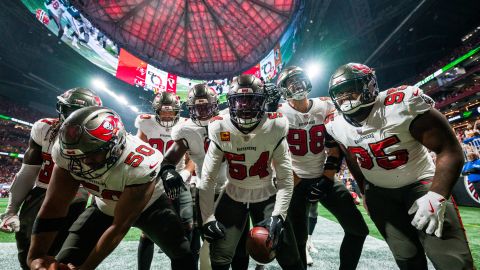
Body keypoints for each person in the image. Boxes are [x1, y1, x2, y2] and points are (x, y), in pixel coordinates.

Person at [326, 62, 474, 269]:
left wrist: (436, 195)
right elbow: (352, 158)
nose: (345, 97)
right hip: (381, 195)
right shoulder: (335, 124)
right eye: (339, 93)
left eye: (351, 89)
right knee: (407, 258)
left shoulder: (401, 103)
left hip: (421, 186)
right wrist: (365, 192)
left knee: (451, 261)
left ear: (369, 86)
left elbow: (450, 149)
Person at [27, 106, 196, 270]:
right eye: (77, 156)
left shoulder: (140, 163)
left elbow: (119, 227)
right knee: (66, 260)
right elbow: (55, 205)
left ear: (115, 146)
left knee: (182, 254)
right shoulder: (67, 154)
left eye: (91, 154)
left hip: (151, 206)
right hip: (105, 205)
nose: (83, 162)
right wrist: (36, 255)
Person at [197, 74, 303, 270]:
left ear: (262, 102)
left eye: (251, 100)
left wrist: (278, 215)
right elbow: (208, 179)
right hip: (234, 194)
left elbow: (285, 179)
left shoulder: (275, 125)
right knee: (220, 256)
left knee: (288, 253)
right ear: (230, 103)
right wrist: (207, 218)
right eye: (239, 101)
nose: (245, 107)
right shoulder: (219, 126)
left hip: (266, 193)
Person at [276, 66, 368, 268]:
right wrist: (295, 179)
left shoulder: (325, 105)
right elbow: (271, 152)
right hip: (294, 180)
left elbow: (335, 146)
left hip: (323, 176)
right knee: (299, 240)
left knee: (358, 229)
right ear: (283, 89)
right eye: (290, 82)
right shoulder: (279, 112)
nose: (296, 84)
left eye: (299, 78)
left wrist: (327, 178)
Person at [0, 87, 102, 269]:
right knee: (27, 254)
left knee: (62, 257)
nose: (72, 116)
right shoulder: (44, 128)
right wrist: (11, 210)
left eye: (78, 112)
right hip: (41, 193)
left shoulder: (101, 137)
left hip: (75, 198)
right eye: (69, 109)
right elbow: (28, 171)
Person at [134, 91, 195, 270]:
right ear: (156, 110)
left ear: (177, 111)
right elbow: (138, 149)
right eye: (163, 111)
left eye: (171, 111)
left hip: (178, 179)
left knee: (187, 224)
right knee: (149, 230)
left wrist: (184, 174)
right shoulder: (146, 123)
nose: (167, 115)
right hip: (154, 179)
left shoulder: (186, 125)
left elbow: (192, 155)